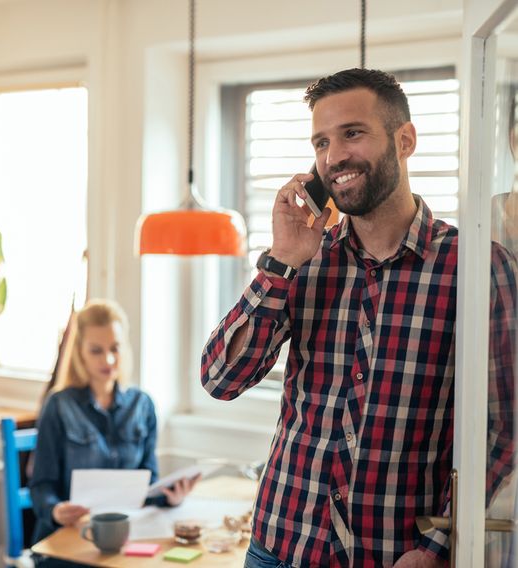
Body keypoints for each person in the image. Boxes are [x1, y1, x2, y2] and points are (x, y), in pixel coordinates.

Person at [201, 68, 516, 568]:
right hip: (280, 547)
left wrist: (439, 545)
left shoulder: (477, 264)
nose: (333, 158)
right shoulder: (303, 260)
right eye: (321, 142)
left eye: (353, 133)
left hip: (393, 556)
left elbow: (504, 429)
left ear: (405, 139)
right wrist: (281, 263)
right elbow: (220, 379)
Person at [30, 299, 199, 563]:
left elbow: (147, 485)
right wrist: (54, 510)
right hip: (69, 541)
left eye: (115, 348)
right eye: (96, 350)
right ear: (80, 352)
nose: (108, 359)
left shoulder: (142, 405)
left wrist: (171, 498)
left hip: (124, 539)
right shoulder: (59, 405)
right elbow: (41, 486)